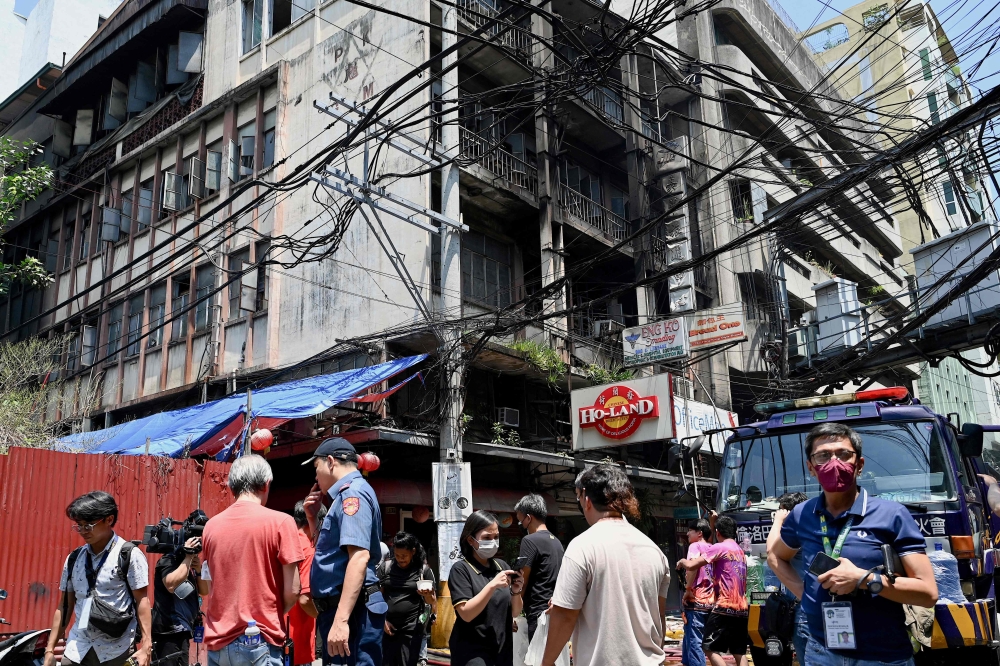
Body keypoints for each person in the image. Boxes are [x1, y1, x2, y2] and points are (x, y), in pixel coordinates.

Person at [768, 423, 938, 666]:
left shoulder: (892, 515)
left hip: (882, 656)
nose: (834, 462)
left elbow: (928, 593)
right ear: (811, 468)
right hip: (821, 652)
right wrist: (804, 594)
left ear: (859, 465)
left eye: (844, 454)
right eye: (823, 455)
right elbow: (776, 557)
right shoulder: (801, 514)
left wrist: (863, 579)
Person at [542, 464, 670, 666]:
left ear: (586, 498)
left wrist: (546, 663)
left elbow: (565, 615)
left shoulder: (582, 546)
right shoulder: (655, 550)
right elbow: (659, 614)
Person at [200, 454, 303, 666]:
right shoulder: (282, 522)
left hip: (217, 644)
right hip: (259, 641)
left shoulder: (211, 527)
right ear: (266, 485)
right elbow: (293, 590)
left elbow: (209, 584)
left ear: (231, 488)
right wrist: (269, 615)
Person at [303, 438, 388, 666]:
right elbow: (333, 553)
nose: (316, 476)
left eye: (316, 467)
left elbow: (359, 557)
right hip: (345, 608)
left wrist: (341, 620)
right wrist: (313, 519)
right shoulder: (344, 495)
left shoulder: (352, 496)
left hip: (352, 611)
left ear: (330, 462)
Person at [43, 491, 152, 666]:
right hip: (78, 648)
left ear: (109, 519)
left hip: (116, 649)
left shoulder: (129, 555)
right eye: (79, 525)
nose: (83, 531)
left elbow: (142, 601)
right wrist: (50, 649)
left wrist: (146, 646)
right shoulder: (74, 559)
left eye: (89, 525)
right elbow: (64, 606)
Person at [448, 511, 523, 666]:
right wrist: (492, 585)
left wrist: (516, 591)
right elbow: (466, 614)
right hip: (473, 654)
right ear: (470, 540)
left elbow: (515, 612)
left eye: (496, 537)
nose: (493, 542)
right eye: (487, 537)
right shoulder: (461, 569)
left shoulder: (501, 567)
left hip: (502, 651)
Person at [677, 515, 748, 666]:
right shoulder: (740, 551)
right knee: (739, 652)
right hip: (742, 607)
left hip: (724, 606)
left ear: (718, 532)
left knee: (708, 647)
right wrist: (712, 522)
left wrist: (682, 562)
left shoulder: (717, 547)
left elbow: (691, 566)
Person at [152, 511, 211, 666]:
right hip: (168, 632)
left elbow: (204, 591)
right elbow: (171, 585)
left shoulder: (188, 563)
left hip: (182, 631)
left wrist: (197, 570)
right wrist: (187, 557)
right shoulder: (168, 560)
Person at [378, 532, 436, 666]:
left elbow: (431, 601)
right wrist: (382, 619)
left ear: (413, 552)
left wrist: (427, 595)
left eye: (404, 556)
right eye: (397, 555)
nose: (400, 559)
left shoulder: (423, 570)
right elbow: (377, 597)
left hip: (412, 628)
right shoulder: (386, 568)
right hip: (388, 627)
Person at [765, 493, 809, 662]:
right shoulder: (814, 529)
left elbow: (771, 552)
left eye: (780, 510)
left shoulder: (797, 530)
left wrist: (778, 522)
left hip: (803, 609)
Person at [513, 494, 563, 640]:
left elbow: (523, 579)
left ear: (529, 518)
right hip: (555, 609)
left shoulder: (529, 541)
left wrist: (513, 612)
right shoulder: (557, 542)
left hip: (538, 613)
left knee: (538, 660)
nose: (521, 525)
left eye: (520, 521)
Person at [288, 501, 322, 666]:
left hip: (275, 635)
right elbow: (305, 599)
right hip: (298, 638)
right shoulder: (308, 550)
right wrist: (325, 618)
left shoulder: (283, 543)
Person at [679, 519, 714, 666]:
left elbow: (692, 568)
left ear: (699, 533)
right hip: (711, 602)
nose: (687, 533)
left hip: (696, 600)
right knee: (693, 639)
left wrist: (687, 589)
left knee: (695, 642)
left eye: (690, 530)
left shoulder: (695, 545)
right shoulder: (713, 547)